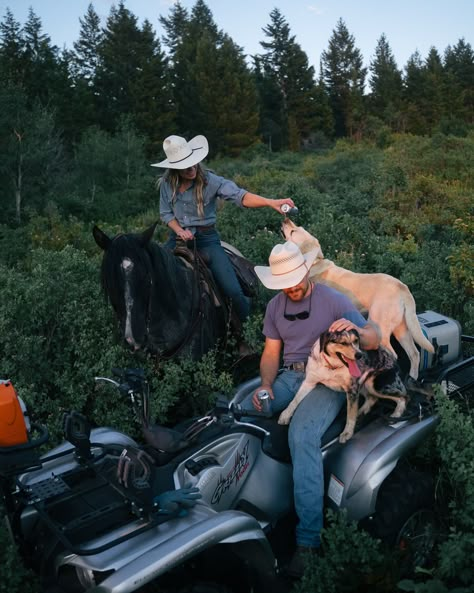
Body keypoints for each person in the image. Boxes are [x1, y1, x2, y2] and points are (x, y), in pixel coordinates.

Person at [241, 241, 380, 577]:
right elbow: (272, 354)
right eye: (285, 282)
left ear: (305, 270)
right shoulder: (275, 307)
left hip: (331, 379)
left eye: (296, 278)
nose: (293, 286)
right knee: (244, 409)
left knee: (302, 434)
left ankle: (307, 541)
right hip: (293, 376)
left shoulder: (331, 299)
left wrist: (357, 330)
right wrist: (265, 386)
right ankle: (247, 495)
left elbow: (373, 336)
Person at [152, 134, 294, 322]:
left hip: (206, 240)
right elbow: (166, 214)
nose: (191, 168)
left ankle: (247, 333)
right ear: (174, 169)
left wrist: (270, 202)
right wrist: (179, 230)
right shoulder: (167, 185)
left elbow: (240, 196)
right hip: (177, 239)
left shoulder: (210, 181)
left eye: (193, 163)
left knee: (232, 290)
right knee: (153, 279)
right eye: (185, 166)